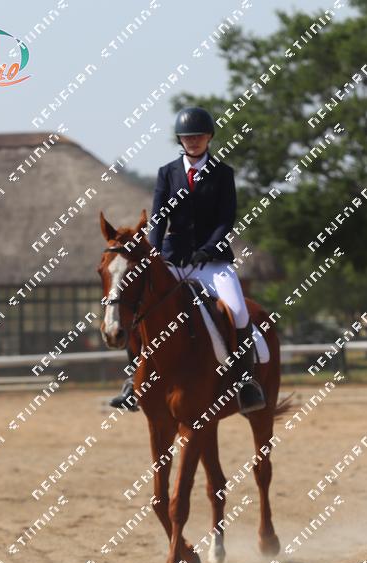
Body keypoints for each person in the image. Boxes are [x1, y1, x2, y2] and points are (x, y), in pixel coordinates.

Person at [110, 105, 265, 415]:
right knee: (140, 307)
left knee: (238, 311)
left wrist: (208, 248)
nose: (193, 141)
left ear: (209, 137)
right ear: (180, 140)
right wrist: (154, 254)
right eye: (187, 137)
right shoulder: (167, 173)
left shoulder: (223, 173)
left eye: (198, 136)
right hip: (174, 258)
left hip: (212, 261)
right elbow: (158, 218)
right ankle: (132, 380)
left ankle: (245, 381)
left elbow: (226, 219)